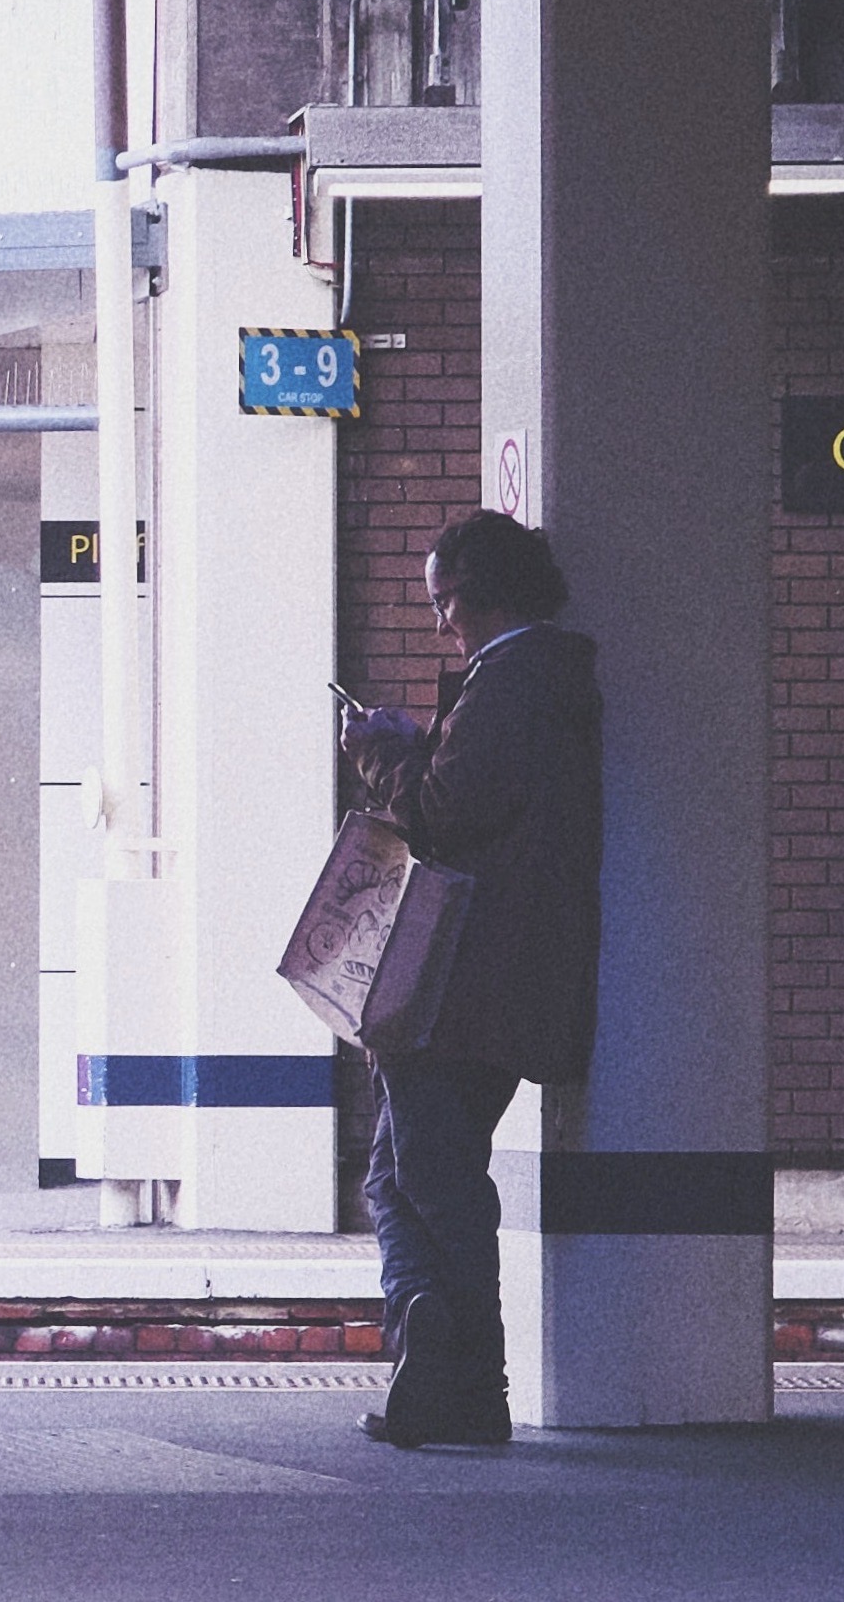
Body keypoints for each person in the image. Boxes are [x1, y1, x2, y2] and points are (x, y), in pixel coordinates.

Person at [337, 510, 604, 1451]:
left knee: (429, 1180)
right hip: (509, 979)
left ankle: (460, 1366)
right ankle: (431, 1345)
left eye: (446, 600)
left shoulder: (511, 682)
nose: (442, 620)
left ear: (489, 592)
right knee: (406, 1171)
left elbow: (444, 811)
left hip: (454, 980)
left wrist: (378, 747)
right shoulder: (551, 681)